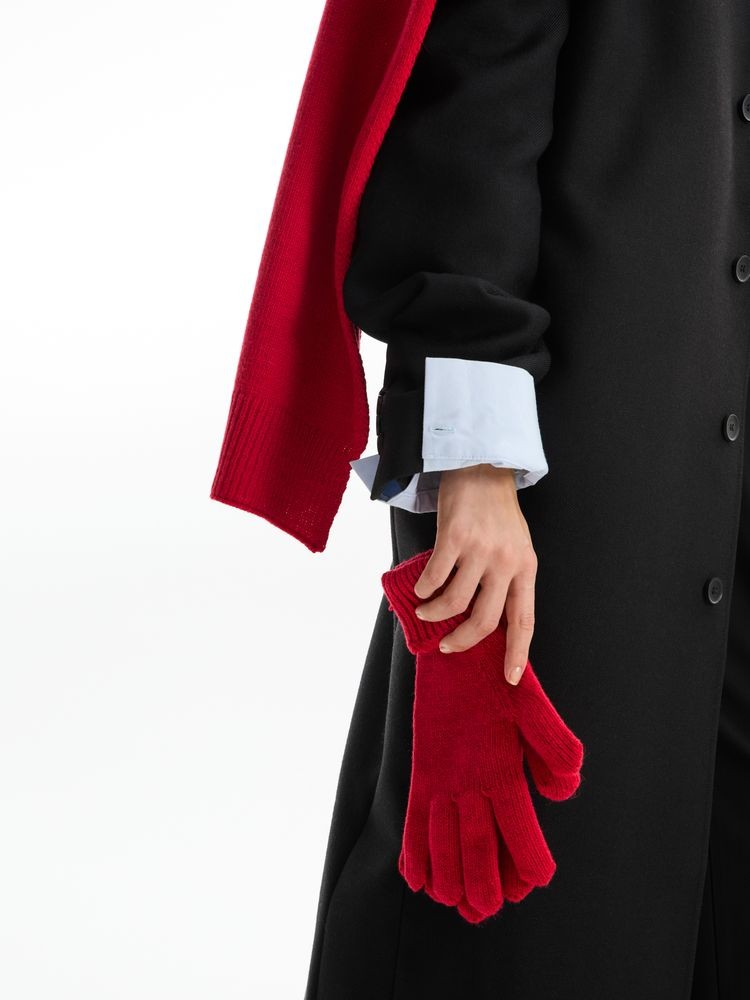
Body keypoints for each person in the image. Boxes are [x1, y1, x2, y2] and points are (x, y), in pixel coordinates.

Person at [210, 0, 750, 996]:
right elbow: (470, 113)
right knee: (515, 900)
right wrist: (474, 473)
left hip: (717, 444)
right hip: (575, 460)